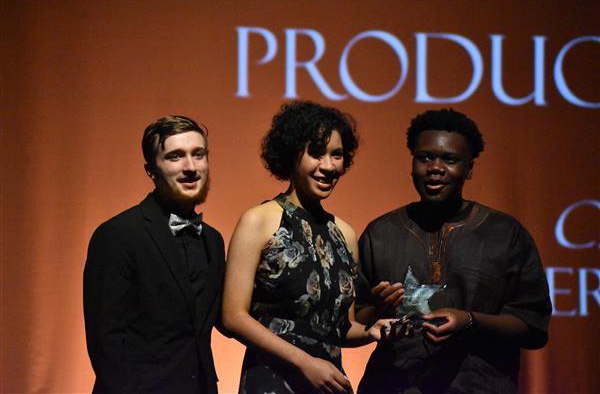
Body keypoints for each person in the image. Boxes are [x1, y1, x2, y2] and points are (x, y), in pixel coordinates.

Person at [356, 108, 552, 393]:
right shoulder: (380, 233)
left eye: (450, 159)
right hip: (394, 385)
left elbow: (534, 327)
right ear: (412, 163)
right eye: (425, 157)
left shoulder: (505, 234)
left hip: (480, 386)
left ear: (469, 168)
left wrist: (469, 321)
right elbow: (355, 322)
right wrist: (379, 309)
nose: (435, 167)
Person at [222, 100, 395, 394]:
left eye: (336, 155)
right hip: (272, 382)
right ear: (291, 155)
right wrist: (305, 363)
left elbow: (341, 328)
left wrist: (371, 331)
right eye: (316, 153)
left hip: (329, 384)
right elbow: (233, 317)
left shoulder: (345, 234)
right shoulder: (258, 221)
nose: (328, 166)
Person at [83, 115, 225, 394]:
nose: (190, 167)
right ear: (151, 170)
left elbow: (223, 318)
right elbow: (106, 343)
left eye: (198, 154)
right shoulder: (117, 235)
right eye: (175, 156)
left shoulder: (213, 240)